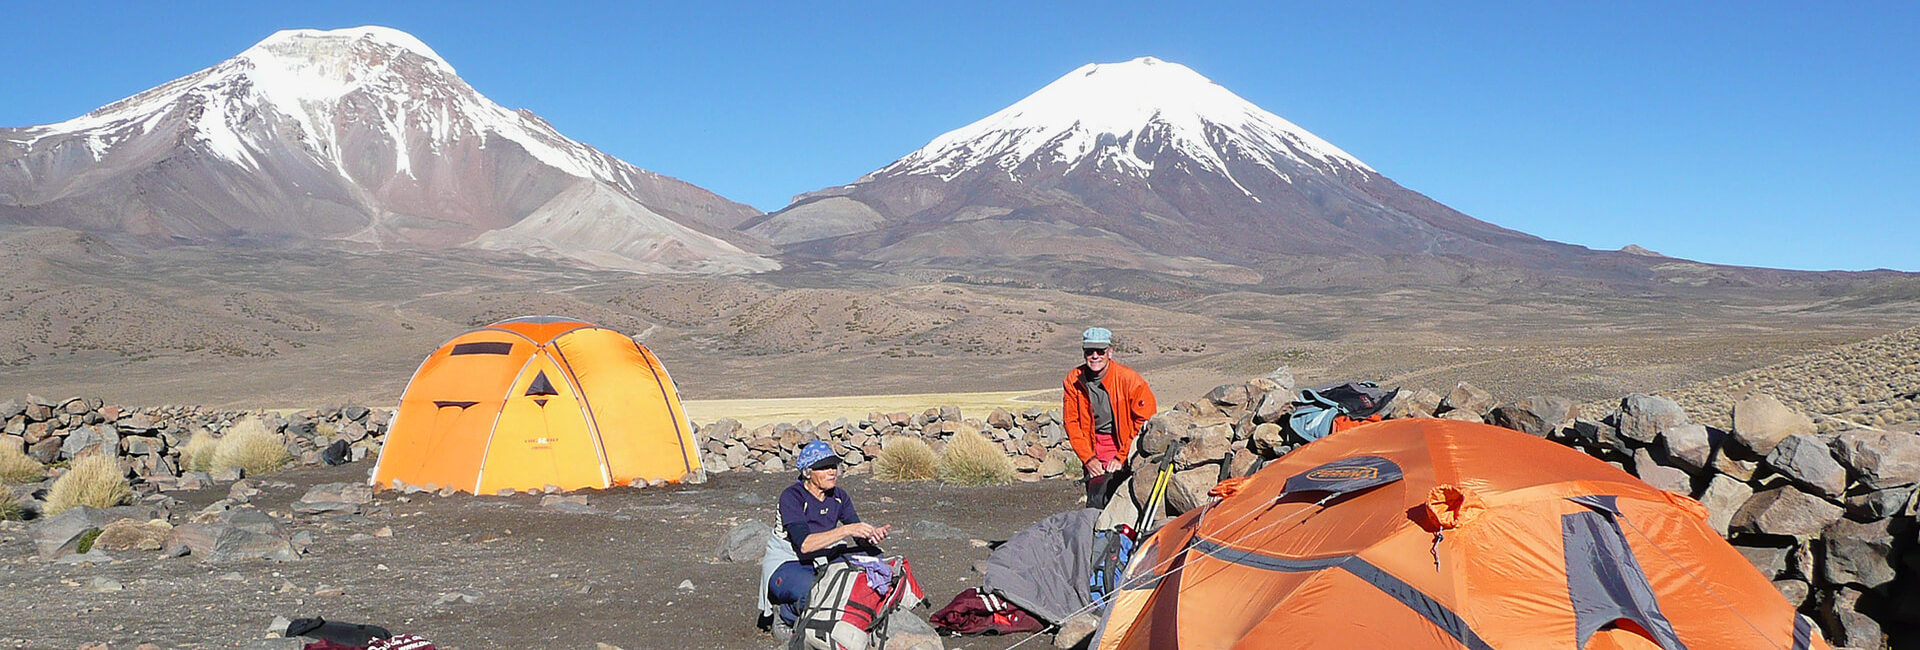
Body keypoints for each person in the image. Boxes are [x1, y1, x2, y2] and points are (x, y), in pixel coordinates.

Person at [766, 440, 891, 635]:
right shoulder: (792, 497)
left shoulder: (839, 496)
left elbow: (857, 534)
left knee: (878, 561)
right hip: (789, 562)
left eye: (834, 466)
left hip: (824, 557)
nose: (832, 471)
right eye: (824, 467)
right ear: (808, 472)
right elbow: (805, 545)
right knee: (816, 593)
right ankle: (785, 614)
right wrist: (846, 530)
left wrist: (871, 537)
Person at [1062, 327, 1157, 509]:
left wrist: (1122, 456)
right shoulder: (1073, 380)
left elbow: (1145, 419)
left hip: (1125, 442)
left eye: (1101, 351)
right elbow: (1071, 423)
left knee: (1124, 495)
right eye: (1090, 351)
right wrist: (1088, 459)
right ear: (1084, 353)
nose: (1095, 356)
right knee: (1097, 495)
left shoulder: (1129, 379)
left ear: (1110, 352)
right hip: (1091, 443)